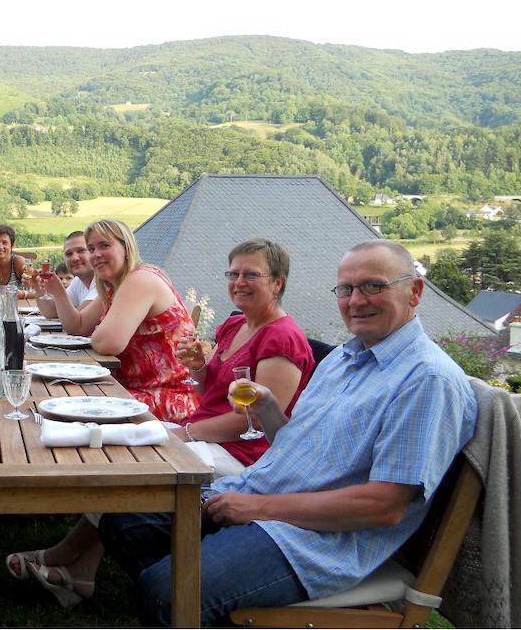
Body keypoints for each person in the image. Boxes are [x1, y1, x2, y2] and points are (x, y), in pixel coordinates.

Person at [99, 239, 478, 627]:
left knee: (166, 591)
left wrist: (257, 509)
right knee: (123, 522)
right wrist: (268, 411)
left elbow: (385, 506)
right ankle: (214, 602)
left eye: (373, 286)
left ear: (414, 291)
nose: (355, 300)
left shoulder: (426, 379)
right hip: (262, 491)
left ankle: (194, 597)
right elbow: (293, 446)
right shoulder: (346, 358)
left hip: (315, 541)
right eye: (346, 289)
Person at [6, 219, 199, 607]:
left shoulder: (141, 280)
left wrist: (97, 328)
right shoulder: (113, 286)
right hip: (135, 391)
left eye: (102, 247)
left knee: (77, 423)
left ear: (126, 246)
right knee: (64, 410)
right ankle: (79, 570)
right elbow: (77, 324)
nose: (94, 255)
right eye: (90, 248)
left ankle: (63, 557)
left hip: (168, 399)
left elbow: (105, 339)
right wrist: (59, 291)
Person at [173, 239, 314, 478]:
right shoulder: (234, 324)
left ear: (277, 283)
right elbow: (208, 394)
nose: (239, 282)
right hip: (207, 439)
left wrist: (185, 433)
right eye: (233, 274)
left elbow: (255, 420)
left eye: (250, 275)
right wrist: (198, 368)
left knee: (138, 465)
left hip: (244, 456)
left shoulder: (282, 339)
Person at [38, 230, 98, 318]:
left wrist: (59, 291)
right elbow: (52, 312)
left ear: (93, 252)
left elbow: (77, 320)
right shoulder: (78, 281)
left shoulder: (103, 283)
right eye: (69, 254)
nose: (74, 258)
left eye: (81, 251)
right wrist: (38, 288)